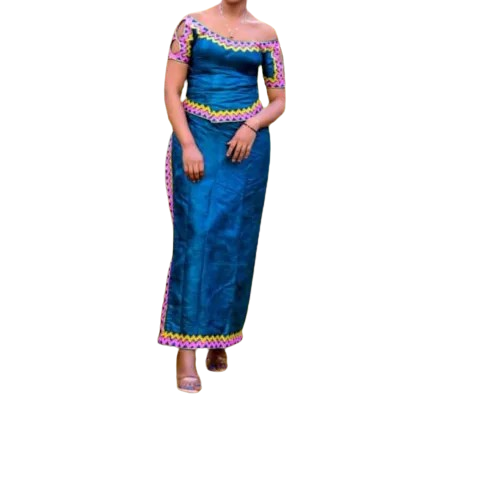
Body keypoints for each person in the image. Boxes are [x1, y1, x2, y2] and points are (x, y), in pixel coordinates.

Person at [158, 0, 286, 393]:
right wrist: (187, 144)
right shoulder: (191, 24)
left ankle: (220, 338)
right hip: (197, 138)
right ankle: (185, 355)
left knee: (235, 244)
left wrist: (252, 125)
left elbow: (280, 99)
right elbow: (171, 89)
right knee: (195, 241)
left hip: (246, 150)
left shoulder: (266, 33)